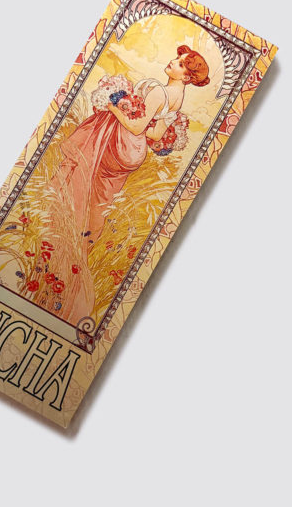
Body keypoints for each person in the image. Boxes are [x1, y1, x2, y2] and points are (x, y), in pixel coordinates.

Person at [41, 45, 210, 325]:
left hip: (120, 143)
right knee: (101, 201)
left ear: (187, 77)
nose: (173, 62)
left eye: (180, 64)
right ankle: (81, 254)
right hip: (134, 154)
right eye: (177, 58)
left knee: (84, 180)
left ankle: (66, 247)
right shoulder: (177, 98)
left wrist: (112, 106)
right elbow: (156, 133)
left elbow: (136, 127)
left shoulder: (160, 92)